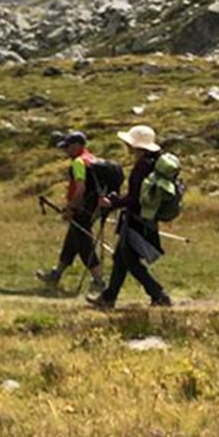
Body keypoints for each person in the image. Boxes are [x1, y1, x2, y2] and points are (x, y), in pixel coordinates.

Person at [88, 125, 172, 310]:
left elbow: (134, 197)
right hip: (144, 217)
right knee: (121, 257)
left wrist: (113, 203)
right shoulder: (152, 162)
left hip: (136, 218)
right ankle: (109, 297)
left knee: (129, 260)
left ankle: (159, 294)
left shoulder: (142, 165)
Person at [36, 130, 106, 294]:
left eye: (68, 146)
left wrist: (71, 208)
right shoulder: (92, 160)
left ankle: (99, 281)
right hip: (92, 209)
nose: (65, 150)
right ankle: (56, 274)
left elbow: (80, 189)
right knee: (72, 241)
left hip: (81, 209)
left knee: (84, 246)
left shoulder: (79, 163)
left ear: (77, 146)